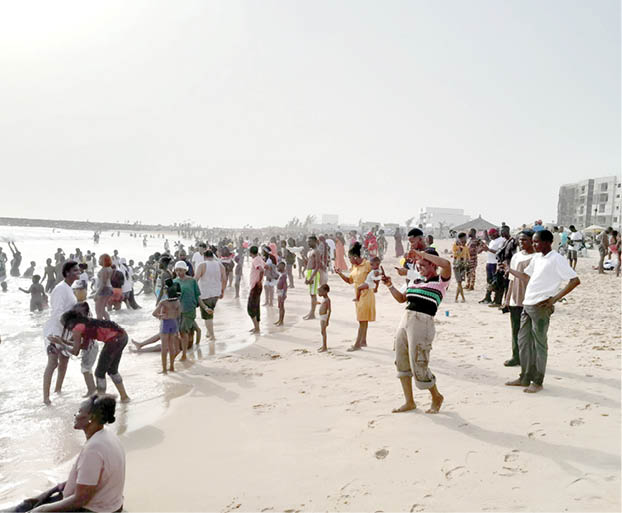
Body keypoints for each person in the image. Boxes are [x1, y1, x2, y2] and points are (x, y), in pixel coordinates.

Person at [16, 395, 125, 513]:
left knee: (35, 509)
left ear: (91, 417)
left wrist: (42, 509)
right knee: (27, 505)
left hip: (96, 510)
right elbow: (95, 480)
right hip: (112, 504)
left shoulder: (93, 449)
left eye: (79, 411)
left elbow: (80, 500)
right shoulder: (107, 435)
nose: (75, 415)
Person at [504, 230, 580, 393]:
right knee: (523, 342)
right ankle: (524, 377)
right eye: (533, 242)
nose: (534, 244)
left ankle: (538, 381)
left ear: (548, 242)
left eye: (537, 242)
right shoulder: (537, 258)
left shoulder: (556, 259)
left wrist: (554, 299)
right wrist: (509, 270)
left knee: (539, 345)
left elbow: (575, 280)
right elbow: (526, 277)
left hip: (541, 306)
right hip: (527, 303)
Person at [382, 247, 450, 414]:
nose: (419, 268)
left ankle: (436, 396)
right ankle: (409, 401)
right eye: (418, 265)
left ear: (434, 265)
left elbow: (447, 264)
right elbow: (401, 299)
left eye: (423, 265)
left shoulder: (441, 281)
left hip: (423, 322)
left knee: (419, 363)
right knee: (402, 361)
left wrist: (423, 254)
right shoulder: (415, 281)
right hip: (405, 320)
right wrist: (389, 285)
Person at [42, 260, 80, 405]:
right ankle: (46, 398)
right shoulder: (60, 288)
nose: (78, 272)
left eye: (78, 270)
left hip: (66, 330)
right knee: (52, 363)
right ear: (67, 272)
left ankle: (58, 390)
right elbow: (58, 312)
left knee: (64, 362)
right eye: (75, 270)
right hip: (55, 329)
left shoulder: (70, 288)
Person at [502, 230, 535, 367]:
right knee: (515, 329)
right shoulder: (516, 257)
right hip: (516, 297)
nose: (522, 243)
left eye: (525, 240)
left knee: (529, 333)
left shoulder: (537, 257)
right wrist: (507, 299)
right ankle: (516, 356)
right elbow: (511, 279)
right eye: (520, 240)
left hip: (530, 298)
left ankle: (529, 358)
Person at [335, 242, 375, 351]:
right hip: (358, 295)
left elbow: (377, 275)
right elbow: (349, 281)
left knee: (362, 319)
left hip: (366, 294)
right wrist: (340, 274)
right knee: (363, 319)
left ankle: (357, 344)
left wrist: (375, 287)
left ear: (355, 257)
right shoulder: (354, 267)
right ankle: (363, 341)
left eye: (349, 258)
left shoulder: (367, 264)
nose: (349, 260)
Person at [194, 249, 226, 346]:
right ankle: (209, 332)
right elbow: (224, 279)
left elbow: (195, 279)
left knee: (207, 316)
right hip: (216, 293)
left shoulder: (202, 265)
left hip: (205, 293)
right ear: (213, 256)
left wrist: (194, 292)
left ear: (204, 256)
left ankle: (212, 336)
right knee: (210, 311)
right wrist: (222, 291)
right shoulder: (220, 265)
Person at [173, 261, 203, 361]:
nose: (178, 272)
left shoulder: (192, 281)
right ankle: (181, 350)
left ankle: (184, 354)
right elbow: (172, 299)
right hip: (178, 311)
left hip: (190, 309)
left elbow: (197, 295)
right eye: (177, 270)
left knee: (183, 331)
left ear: (185, 270)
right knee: (180, 332)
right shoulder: (174, 282)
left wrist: (205, 307)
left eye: (180, 270)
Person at [152, 282, 182, 373]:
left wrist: (161, 316)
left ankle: (164, 369)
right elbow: (179, 314)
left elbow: (154, 313)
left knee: (164, 348)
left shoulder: (163, 302)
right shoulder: (177, 302)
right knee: (172, 346)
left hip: (165, 323)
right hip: (173, 323)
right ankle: (172, 367)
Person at [479, 228, 505, 304]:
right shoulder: (492, 241)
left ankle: (496, 299)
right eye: (489, 235)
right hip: (489, 262)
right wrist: (484, 249)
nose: (490, 237)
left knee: (495, 282)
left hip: (495, 263)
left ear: (496, 233)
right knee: (489, 281)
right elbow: (489, 250)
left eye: (491, 235)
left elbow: (499, 252)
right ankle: (487, 297)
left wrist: (488, 249)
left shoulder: (501, 240)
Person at [303, 236, 322, 320]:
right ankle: (311, 312)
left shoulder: (317, 251)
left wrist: (311, 278)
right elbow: (308, 263)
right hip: (309, 272)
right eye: (308, 241)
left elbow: (318, 266)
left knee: (313, 294)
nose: (308, 243)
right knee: (311, 294)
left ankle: (312, 314)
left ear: (315, 241)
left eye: (310, 241)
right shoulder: (311, 251)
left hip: (313, 273)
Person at [247, 246, 264, 333]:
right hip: (256, 285)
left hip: (255, 286)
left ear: (250, 253)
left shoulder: (255, 260)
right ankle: (257, 327)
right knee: (256, 306)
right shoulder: (259, 258)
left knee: (251, 308)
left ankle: (256, 328)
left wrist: (259, 281)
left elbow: (261, 270)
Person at [452, 232, 470, 302]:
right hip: (457, 265)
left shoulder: (466, 247)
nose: (466, 240)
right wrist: (459, 248)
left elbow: (468, 257)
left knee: (460, 283)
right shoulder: (455, 246)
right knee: (459, 282)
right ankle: (463, 298)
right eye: (464, 238)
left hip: (463, 265)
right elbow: (456, 255)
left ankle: (456, 298)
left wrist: (468, 264)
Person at [94, 254, 113, 320]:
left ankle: (100, 326)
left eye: (100, 259)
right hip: (108, 289)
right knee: (102, 310)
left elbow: (103, 283)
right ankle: (108, 324)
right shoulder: (109, 268)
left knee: (98, 310)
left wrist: (96, 294)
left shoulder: (104, 270)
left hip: (103, 290)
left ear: (103, 260)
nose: (98, 260)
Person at [317, 284, 331, 353]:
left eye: (320, 291)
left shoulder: (327, 300)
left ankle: (325, 346)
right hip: (322, 317)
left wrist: (327, 320)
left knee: (323, 331)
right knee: (322, 331)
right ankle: (323, 345)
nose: (319, 293)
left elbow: (329, 310)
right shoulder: (324, 299)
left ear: (325, 291)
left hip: (324, 317)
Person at [274, 261, 287, 326]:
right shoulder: (281, 274)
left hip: (282, 292)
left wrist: (284, 294)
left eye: (279, 266)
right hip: (279, 291)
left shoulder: (284, 275)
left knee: (281, 306)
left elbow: (285, 285)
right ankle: (279, 320)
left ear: (282, 267)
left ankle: (281, 321)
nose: (277, 267)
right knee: (280, 306)